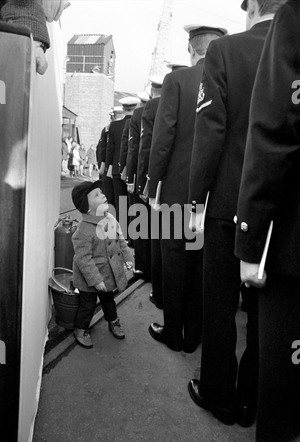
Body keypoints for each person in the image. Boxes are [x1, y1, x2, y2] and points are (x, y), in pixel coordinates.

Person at [187, 0, 287, 427]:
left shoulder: (225, 52)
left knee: (220, 305)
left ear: (251, 9)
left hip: (229, 205)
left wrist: (195, 202)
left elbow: (210, 133)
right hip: (282, 211)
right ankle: (251, 398)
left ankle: (219, 395)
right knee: (268, 316)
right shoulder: (293, 49)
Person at [235, 0, 300, 442]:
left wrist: (249, 242)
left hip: (291, 243)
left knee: (286, 413)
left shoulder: (293, 18)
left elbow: (275, 134)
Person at [147, 25, 227, 354]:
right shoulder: (229, 79)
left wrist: (154, 184)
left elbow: (163, 138)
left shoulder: (177, 81)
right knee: (199, 265)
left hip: (177, 192)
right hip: (212, 195)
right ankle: (194, 334)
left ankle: (173, 332)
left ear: (191, 49)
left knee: (175, 263)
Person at [71, 180, 134, 349]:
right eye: (96, 195)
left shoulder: (110, 219)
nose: (103, 195)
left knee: (109, 301)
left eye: (101, 192)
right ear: (87, 206)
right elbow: (83, 259)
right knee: (87, 306)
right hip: (89, 280)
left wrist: (128, 259)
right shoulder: (83, 230)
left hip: (108, 275)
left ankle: (113, 321)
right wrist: (95, 280)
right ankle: (81, 329)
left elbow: (120, 241)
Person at [136, 77, 164, 309]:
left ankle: (156, 284)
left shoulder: (152, 108)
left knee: (157, 235)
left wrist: (146, 180)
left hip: (161, 183)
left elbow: (147, 147)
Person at [125, 91, 151, 279]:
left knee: (141, 221)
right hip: (166, 178)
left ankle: (142, 266)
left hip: (143, 175)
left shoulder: (139, 114)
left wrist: (133, 179)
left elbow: (136, 149)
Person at [106, 97, 140, 227]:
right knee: (133, 203)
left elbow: (110, 149)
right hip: (133, 169)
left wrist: (108, 166)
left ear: (123, 109)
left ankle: (122, 231)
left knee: (120, 202)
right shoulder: (139, 123)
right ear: (135, 107)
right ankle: (132, 233)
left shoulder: (114, 125)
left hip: (116, 168)